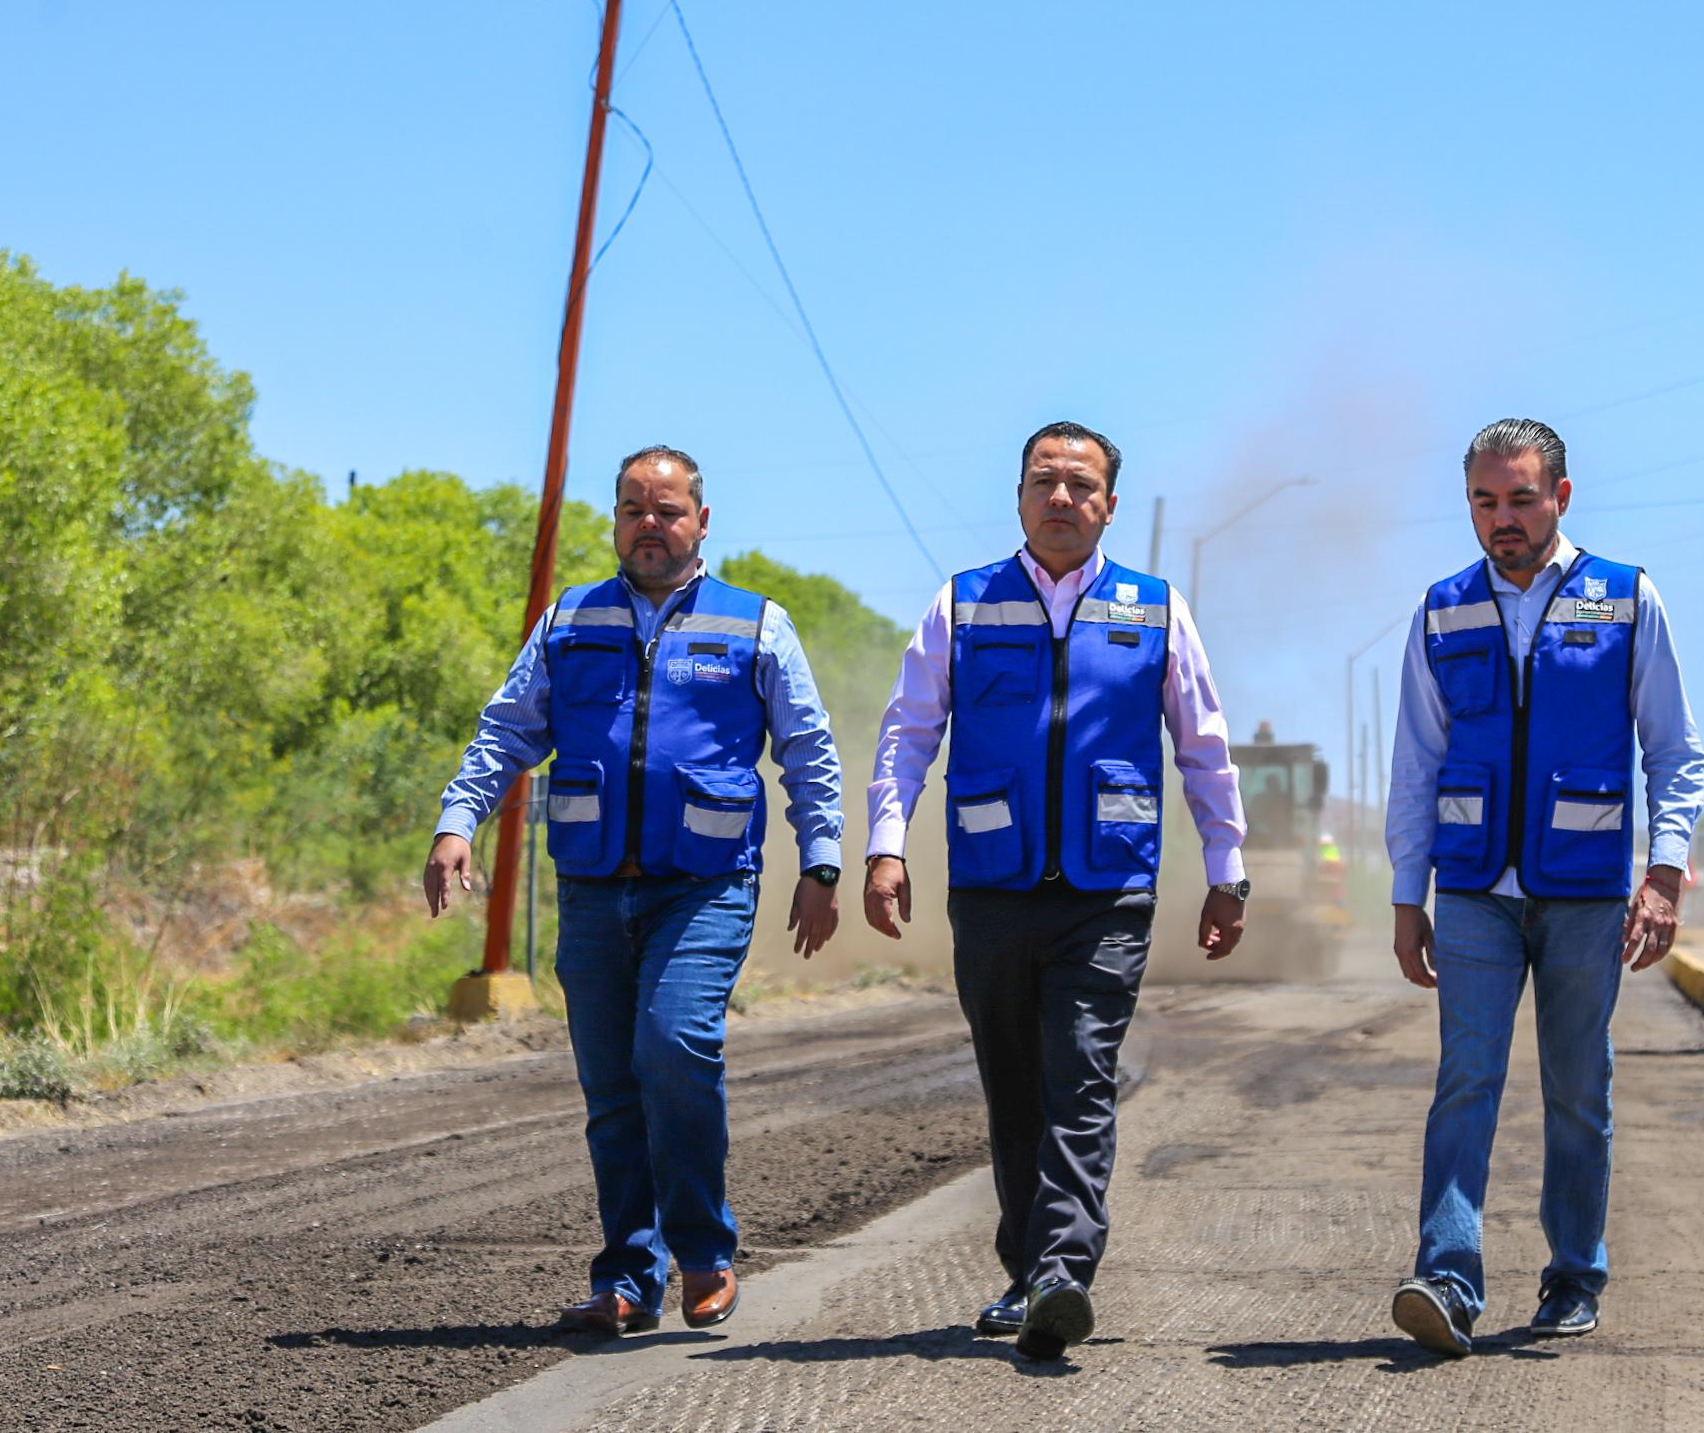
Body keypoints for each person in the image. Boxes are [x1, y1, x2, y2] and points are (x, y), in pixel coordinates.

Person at [424, 446, 843, 1337]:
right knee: (613, 1088)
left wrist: (823, 862)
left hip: (705, 886)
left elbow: (806, 748)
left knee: (673, 1044)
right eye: (631, 510)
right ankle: (627, 1275)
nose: (648, 526)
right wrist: (458, 822)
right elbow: (506, 732)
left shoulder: (755, 624)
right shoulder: (569, 620)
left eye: (666, 510)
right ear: (614, 521)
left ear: (702, 519)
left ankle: (705, 1251)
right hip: (590, 887)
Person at [863, 421, 1248, 1361]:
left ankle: (1063, 1270)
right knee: (1013, 1088)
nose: (1063, 499)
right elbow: (908, 731)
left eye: (1082, 485)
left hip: (1105, 887)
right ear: (1020, 497)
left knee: (1079, 1072)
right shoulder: (964, 603)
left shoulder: (1156, 609)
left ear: (1110, 504)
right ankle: (1027, 1271)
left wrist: (1227, 866)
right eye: (1046, 482)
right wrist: (886, 845)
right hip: (992, 886)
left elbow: (1202, 745)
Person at [1385, 418, 1704, 1356]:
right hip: (1475, 889)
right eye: (1485, 501)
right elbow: (1417, 763)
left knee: (1577, 1089)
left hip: (1587, 895)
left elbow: (1675, 750)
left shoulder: (1625, 598)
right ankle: (1446, 1277)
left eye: (1521, 498)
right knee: (1465, 1081)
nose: (1502, 519)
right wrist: (1410, 897)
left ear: (1562, 496)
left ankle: (1573, 1273)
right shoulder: (1442, 610)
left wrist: (1664, 873)